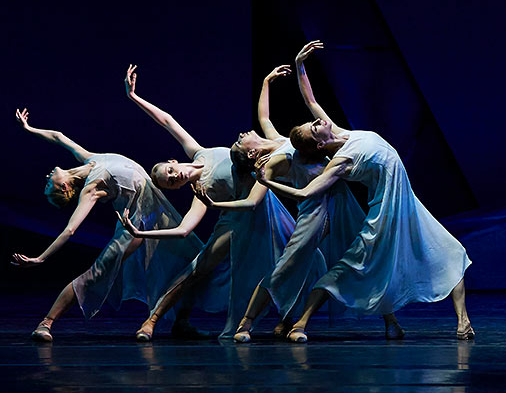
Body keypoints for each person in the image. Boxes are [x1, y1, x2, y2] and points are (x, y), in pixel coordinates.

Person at [252, 45, 474, 343]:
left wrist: (299, 64)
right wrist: (267, 182)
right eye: (314, 127)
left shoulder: (341, 132)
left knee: (450, 252)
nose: (318, 120)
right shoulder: (340, 162)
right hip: (385, 211)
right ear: (319, 145)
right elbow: (305, 193)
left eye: (314, 121)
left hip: (407, 202)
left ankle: (463, 322)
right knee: (353, 267)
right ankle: (300, 323)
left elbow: (311, 99)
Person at [120, 64, 300, 340]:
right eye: (171, 182)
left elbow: (167, 121)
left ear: (173, 161)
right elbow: (183, 230)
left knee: (295, 258)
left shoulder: (199, 152)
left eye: (170, 171)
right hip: (237, 220)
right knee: (198, 268)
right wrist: (141, 233)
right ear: (176, 187)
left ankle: (289, 321)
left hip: (265, 206)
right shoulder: (201, 192)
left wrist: (134, 97)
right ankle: (152, 320)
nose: (174, 176)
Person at [12, 108, 203, 341]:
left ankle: (181, 323)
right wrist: (41, 258)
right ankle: (46, 323)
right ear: (64, 188)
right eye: (48, 185)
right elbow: (70, 229)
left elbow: (58, 136)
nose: (47, 177)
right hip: (135, 227)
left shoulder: (89, 159)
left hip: (156, 216)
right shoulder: (92, 188)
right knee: (95, 274)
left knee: (192, 260)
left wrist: (29, 129)